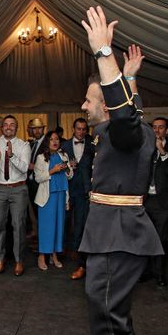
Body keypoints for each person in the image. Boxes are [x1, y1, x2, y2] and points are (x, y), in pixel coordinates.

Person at [80, 6, 168, 335]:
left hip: (118, 238)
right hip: (116, 236)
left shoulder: (126, 131)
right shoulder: (129, 133)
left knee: (112, 333)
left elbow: (125, 116)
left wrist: (105, 54)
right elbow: (129, 112)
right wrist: (131, 78)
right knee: (113, 331)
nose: (84, 105)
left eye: (91, 98)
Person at [0, 115, 31, 276]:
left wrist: (11, 156)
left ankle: (19, 261)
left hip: (18, 189)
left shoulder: (23, 145)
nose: (8, 127)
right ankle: (0, 259)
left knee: (18, 225)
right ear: (2, 128)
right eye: (5, 125)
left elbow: (25, 168)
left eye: (12, 125)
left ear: (16, 127)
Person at [143, 117, 168, 287]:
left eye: (161, 128)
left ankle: (159, 273)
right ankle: (145, 272)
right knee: (144, 237)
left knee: (160, 238)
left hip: (162, 202)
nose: (157, 130)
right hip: (145, 199)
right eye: (154, 127)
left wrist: (163, 153)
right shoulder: (145, 147)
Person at [34, 131, 73, 270]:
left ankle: (54, 255)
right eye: (51, 139)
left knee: (58, 226)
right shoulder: (41, 157)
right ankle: (42, 256)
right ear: (47, 142)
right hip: (47, 197)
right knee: (47, 228)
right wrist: (52, 170)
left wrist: (68, 168)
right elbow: (38, 178)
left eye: (57, 139)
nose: (55, 142)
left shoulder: (64, 155)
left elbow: (69, 176)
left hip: (61, 195)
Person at [61, 118, 94, 280]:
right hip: (67, 188)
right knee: (65, 219)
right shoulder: (65, 145)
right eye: (78, 129)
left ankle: (77, 249)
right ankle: (63, 249)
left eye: (83, 129)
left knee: (81, 221)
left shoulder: (92, 146)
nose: (81, 132)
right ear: (73, 129)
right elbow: (60, 167)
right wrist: (68, 167)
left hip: (84, 190)